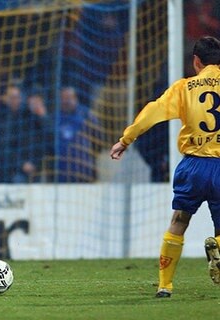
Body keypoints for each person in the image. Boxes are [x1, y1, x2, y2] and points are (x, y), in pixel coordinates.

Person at [110, 36, 220, 298]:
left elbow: (153, 111)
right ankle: (217, 250)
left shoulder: (185, 87)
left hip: (193, 165)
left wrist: (126, 139)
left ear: (196, 62)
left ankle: (165, 286)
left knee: (178, 221)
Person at [54, 86, 101, 182]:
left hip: (83, 171)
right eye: (63, 98)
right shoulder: (55, 118)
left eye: (69, 98)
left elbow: (98, 140)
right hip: (61, 172)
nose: (66, 101)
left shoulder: (86, 116)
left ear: (75, 99)